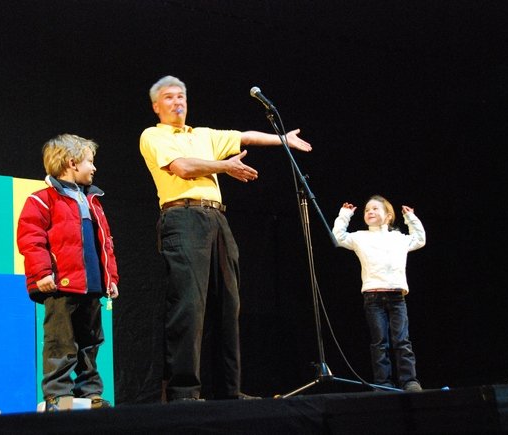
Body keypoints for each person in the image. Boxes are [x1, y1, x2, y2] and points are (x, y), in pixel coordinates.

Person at [139, 75, 312, 402]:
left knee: (228, 305)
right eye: (170, 97)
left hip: (217, 218)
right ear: (156, 106)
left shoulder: (203, 134)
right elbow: (182, 167)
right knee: (189, 306)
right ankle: (184, 393)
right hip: (183, 216)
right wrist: (224, 166)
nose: (177, 102)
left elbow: (245, 136)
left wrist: (283, 139)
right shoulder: (153, 135)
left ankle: (228, 391)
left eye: (181, 96)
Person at [17, 133, 120, 411]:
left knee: (91, 342)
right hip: (61, 286)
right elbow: (31, 239)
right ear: (72, 163)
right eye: (90, 162)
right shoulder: (42, 200)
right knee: (60, 342)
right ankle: (57, 394)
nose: (94, 168)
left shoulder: (92, 200)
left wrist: (110, 278)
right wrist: (42, 272)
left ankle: (90, 392)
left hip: (92, 286)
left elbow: (105, 243)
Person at [332, 195, 425, 392]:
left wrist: (411, 218)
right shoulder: (360, 237)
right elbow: (338, 237)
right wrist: (345, 215)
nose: (370, 212)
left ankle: (409, 381)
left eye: (375, 209)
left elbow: (419, 239)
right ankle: (383, 383)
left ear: (388, 215)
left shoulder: (399, 238)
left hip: (396, 296)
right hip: (373, 297)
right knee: (379, 342)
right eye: (367, 210)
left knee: (402, 341)